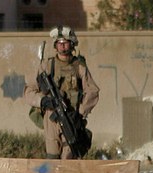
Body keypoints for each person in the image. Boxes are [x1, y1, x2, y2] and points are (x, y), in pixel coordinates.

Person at [25, 25, 100, 159]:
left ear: (72, 44)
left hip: (71, 117)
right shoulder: (47, 66)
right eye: (59, 43)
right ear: (55, 45)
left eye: (65, 43)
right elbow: (29, 91)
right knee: (52, 156)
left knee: (69, 154)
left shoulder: (79, 67)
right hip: (51, 116)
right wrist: (43, 100)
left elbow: (92, 91)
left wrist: (80, 112)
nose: (62, 46)